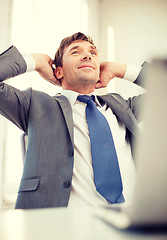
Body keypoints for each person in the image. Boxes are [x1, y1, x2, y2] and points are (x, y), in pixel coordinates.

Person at [0, 32, 147, 209]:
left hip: (127, 224)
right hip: (62, 225)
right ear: (58, 71)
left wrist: (119, 69)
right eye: (75, 52)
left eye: (93, 53)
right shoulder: (34, 105)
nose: (87, 55)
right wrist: (37, 62)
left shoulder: (123, 107)